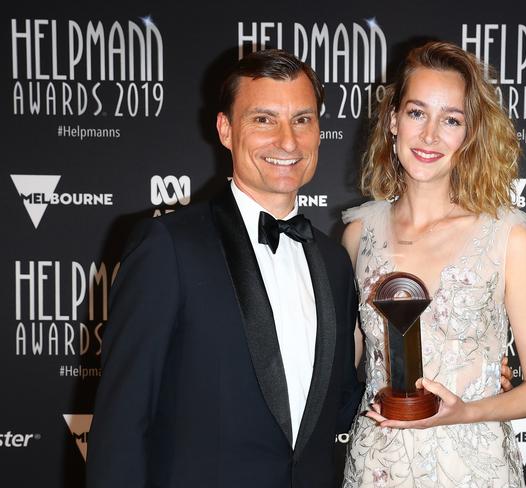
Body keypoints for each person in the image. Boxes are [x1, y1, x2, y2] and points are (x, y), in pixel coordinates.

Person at [86, 49, 363, 488]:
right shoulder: (168, 247)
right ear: (226, 129)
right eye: (264, 119)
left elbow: (345, 400)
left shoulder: (332, 262)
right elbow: (121, 424)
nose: (288, 142)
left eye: (303, 119)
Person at [341, 41, 526, 487]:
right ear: (392, 120)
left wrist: (467, 410)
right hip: (377, 467)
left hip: (473, 467)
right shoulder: (356, 236)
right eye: (417, 113)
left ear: (469, 134)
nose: (429, 136)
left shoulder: (507, 237)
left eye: (451, 120)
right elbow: (339, 366)